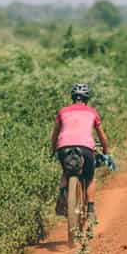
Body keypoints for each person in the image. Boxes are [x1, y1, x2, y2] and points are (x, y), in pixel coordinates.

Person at [51, 82, 113, 221]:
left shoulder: (63, 111)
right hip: (85, 148)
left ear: (72, 98)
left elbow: (54, 135)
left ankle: (62, 193)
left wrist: (53, 149)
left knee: (66, 171)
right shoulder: (92, 112)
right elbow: (103, 137)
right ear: (87, 99)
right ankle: (90, 210)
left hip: (64, 147)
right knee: (90, 177)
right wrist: (106, 152)